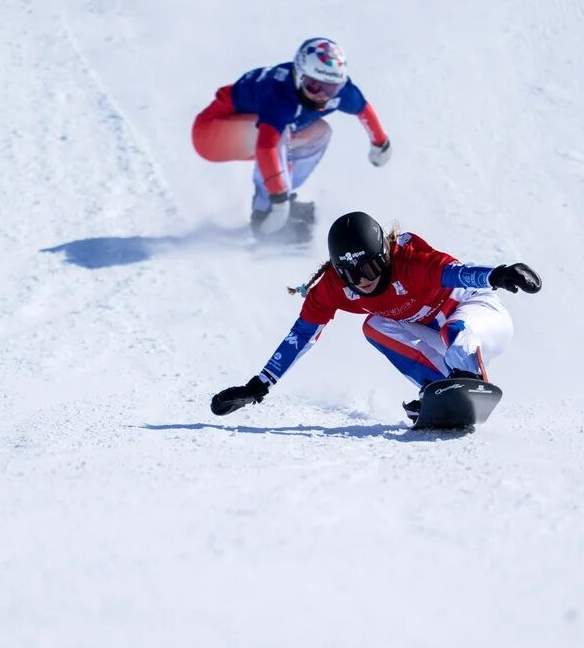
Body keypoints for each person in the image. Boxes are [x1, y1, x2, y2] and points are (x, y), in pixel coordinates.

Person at [209, 212, 542, 421]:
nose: (363, 280)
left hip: (480, 316)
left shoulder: (409, 261)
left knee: (456, 329)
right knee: (374, 326)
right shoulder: (335, 287)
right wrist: (259, 385)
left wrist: (496, 274)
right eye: (351, 274)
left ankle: (468, 381)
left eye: (369, 267)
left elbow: (457, 273)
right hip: (435, 336)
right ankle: (439, 389)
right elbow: (301, 335)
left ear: (384, 255)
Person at [191, 37, 392, 242]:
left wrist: (380, 143)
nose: (322, 95)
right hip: (210, 133)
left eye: (330, 88)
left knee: (320, 132)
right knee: (282, 132)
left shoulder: (342, 93)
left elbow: (363, 109)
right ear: (298, 75)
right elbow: (266, 146)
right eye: (313, 85)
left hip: (247, 132)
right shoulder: (279, 94)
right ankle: (265, 211)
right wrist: (278, 201)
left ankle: (276, 199)